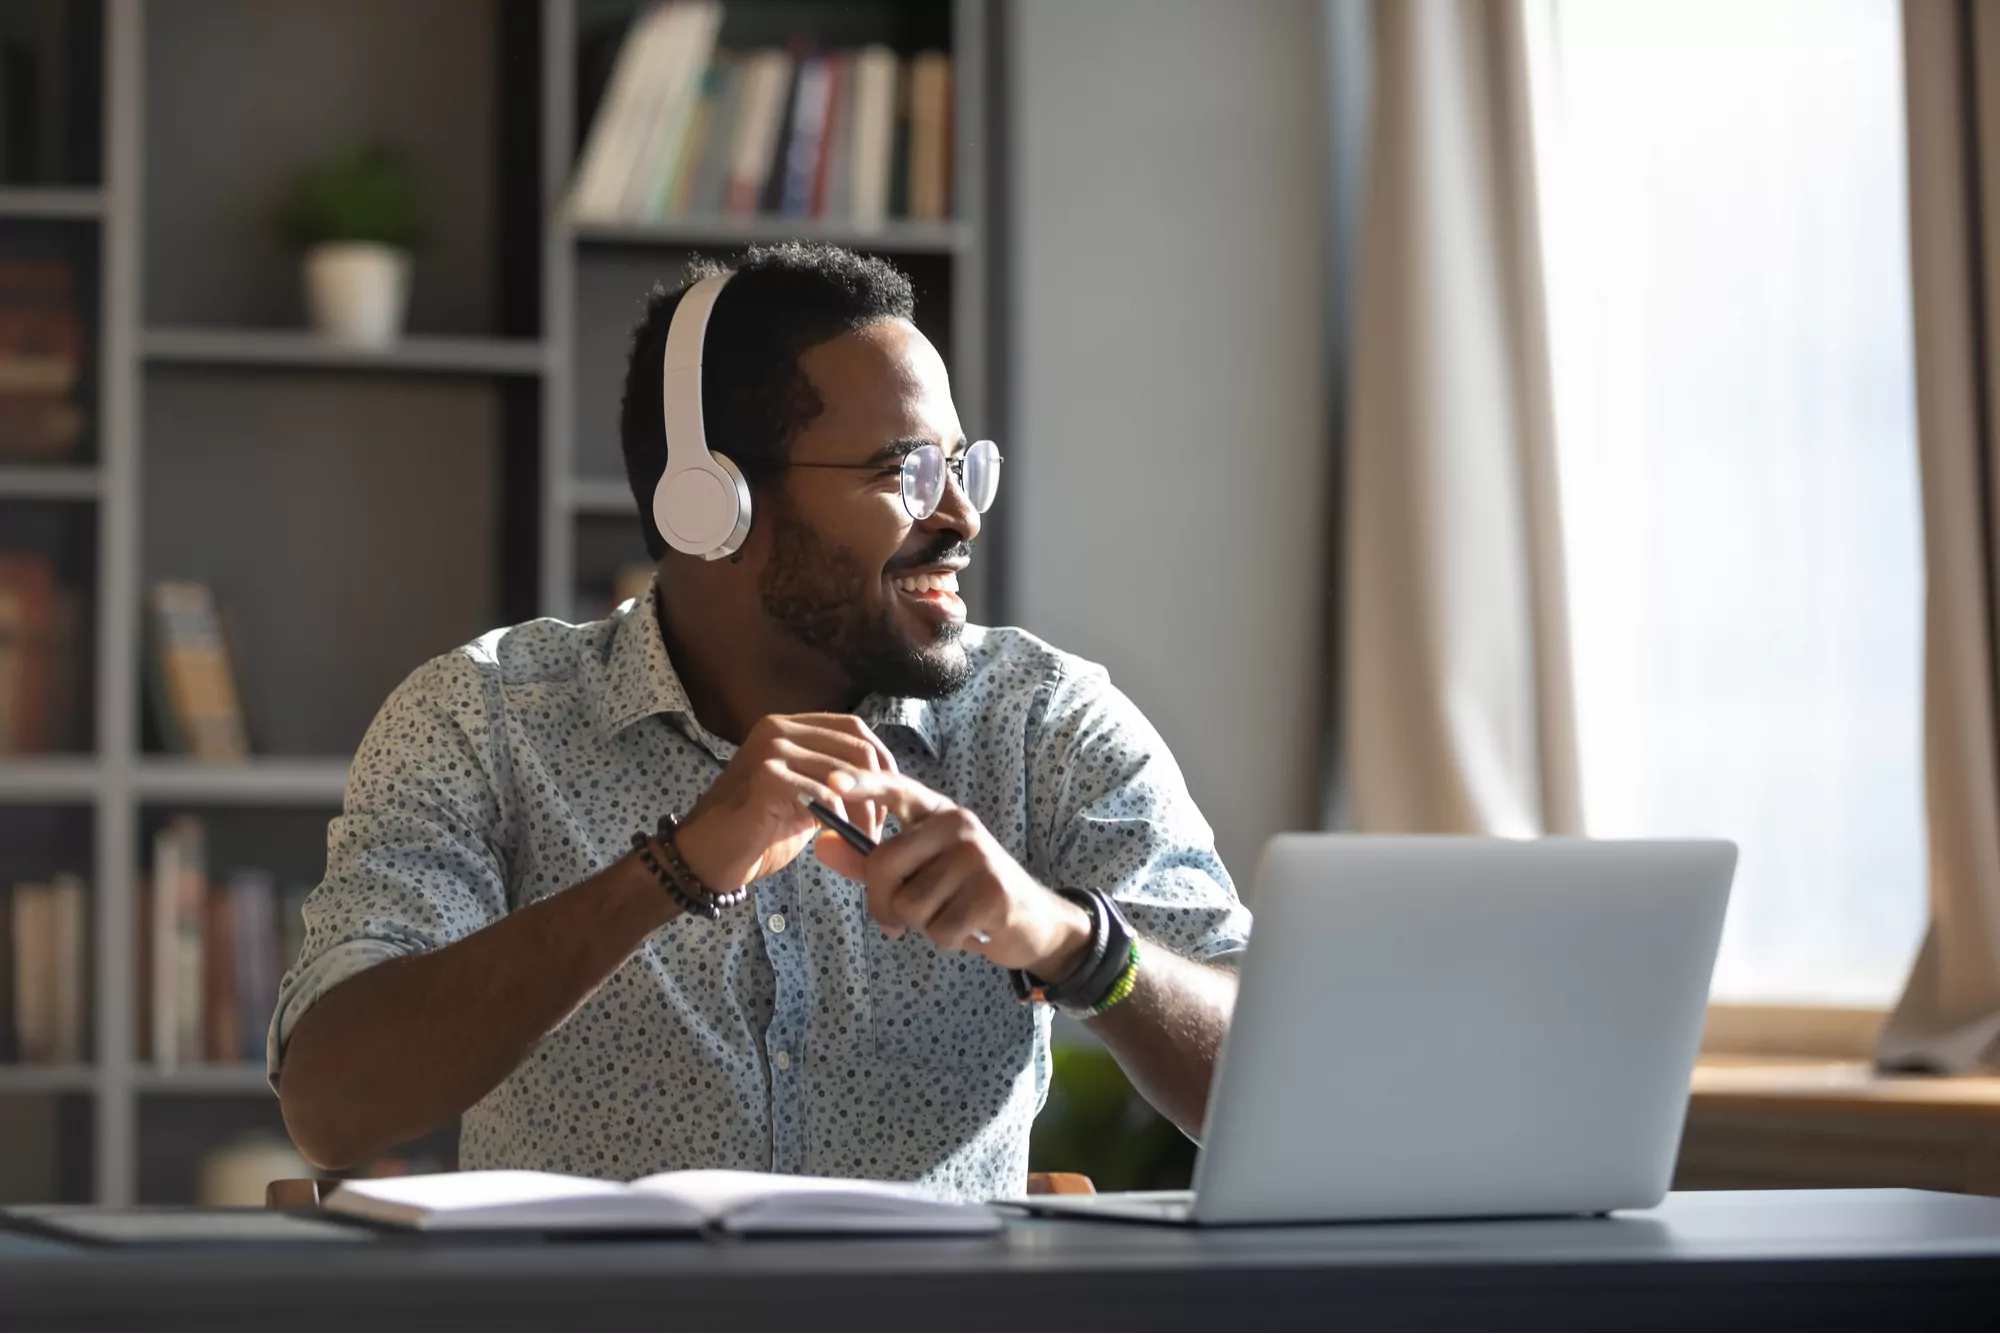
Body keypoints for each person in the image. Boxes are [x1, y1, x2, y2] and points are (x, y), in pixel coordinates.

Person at [270, 242, 1250, 1200]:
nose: (960, 515)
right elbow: (332, 1101)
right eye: (905, 471)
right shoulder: (483, 718)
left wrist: (1073, 940)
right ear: (714, 505)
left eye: (961, 466)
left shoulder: (1042, 722)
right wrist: (673, 870)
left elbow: (1280, 1070)